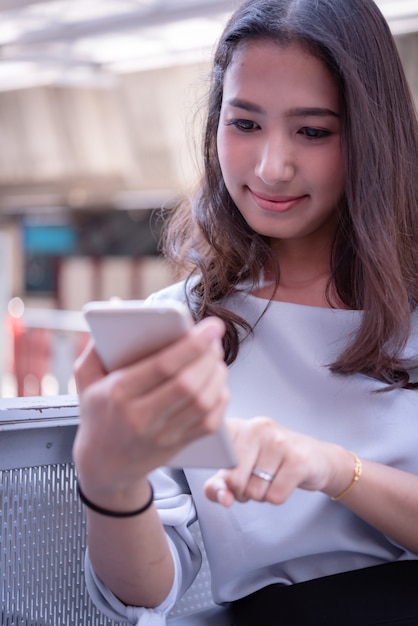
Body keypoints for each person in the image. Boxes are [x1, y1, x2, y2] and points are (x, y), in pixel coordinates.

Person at [73, 0, 418, 624]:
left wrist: (336, 468)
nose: (271, 167)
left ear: (372, 135)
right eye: (245, 124)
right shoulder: (183, 324)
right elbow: (144, 596)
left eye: (313, 131)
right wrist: (108, 481)